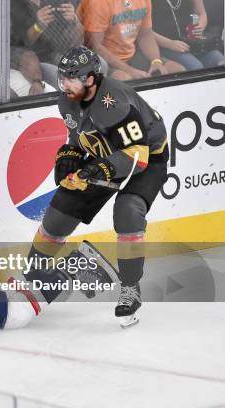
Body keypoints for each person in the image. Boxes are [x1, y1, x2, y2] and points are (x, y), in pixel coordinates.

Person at [25, 46, 169, 328]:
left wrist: (95, 170)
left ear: (91, 80)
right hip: (111, 155)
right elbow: (79, 138)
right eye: (62, 77)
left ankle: (131, 289)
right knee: (60, 210)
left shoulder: (114, 104)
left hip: (147, 156)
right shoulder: (68, 100)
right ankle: (32, 276)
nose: (63, 83)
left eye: (70, 78)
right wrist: (69, 158)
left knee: (128, 209)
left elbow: (137, 157)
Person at [78, 0, 185, 80]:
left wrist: (156, 61)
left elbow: (145, 35)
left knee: (177, 71)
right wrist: (130, 71)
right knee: (126, 81)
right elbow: (95, 46)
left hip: (131, 53)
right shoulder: (99, 2)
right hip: (104, 60)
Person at [151, 0, 225, 71]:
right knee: (195, 68)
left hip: (192, 42)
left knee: (220, 62)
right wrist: (170, 43)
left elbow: (201, 13)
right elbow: (144, 32)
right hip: (163, 44)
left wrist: (199, 28)